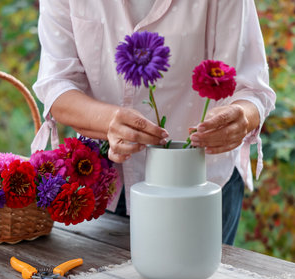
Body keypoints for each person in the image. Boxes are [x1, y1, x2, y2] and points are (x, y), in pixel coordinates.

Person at [31, 0, 276, 245]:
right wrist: (109, 122)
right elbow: (57, 85)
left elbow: (252, 90)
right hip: (104, 180)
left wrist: (241, 117)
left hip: (201, 182)